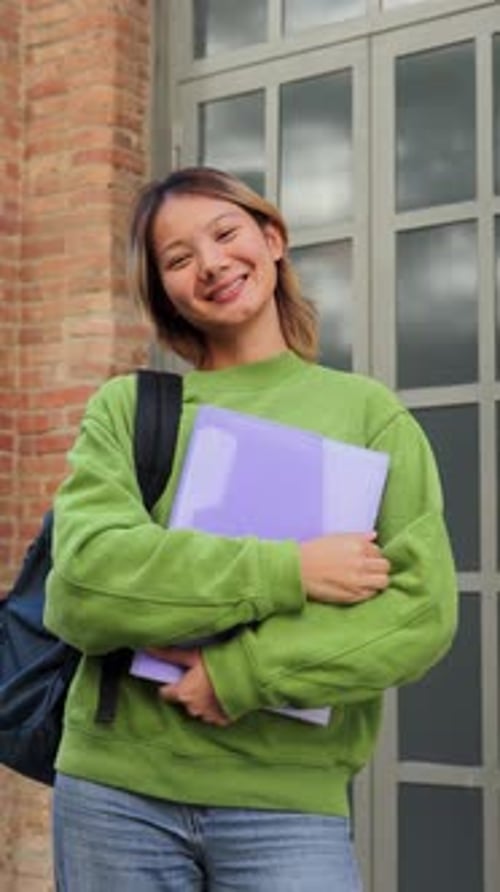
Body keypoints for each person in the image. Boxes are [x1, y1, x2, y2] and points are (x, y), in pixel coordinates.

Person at [45, 166, 457, 891]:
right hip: (116, 794)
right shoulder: (128, 409)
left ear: (272, 238)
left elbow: (420, 613)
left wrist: (240, 675)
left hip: (288, 802)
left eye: (225, 233)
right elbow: (84, 584)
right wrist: (291, 571)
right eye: (177, 259)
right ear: (164, 290)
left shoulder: (368, 416)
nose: (209, 264)